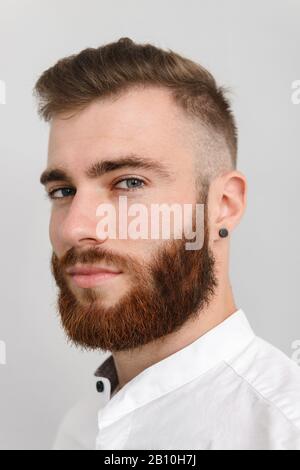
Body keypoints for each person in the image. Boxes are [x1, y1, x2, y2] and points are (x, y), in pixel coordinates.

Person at [34, 37, 300, 450]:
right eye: (63, 191)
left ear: (223, 207)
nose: (75, 228)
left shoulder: (284, 431)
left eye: (129, 182)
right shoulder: (80, 428)